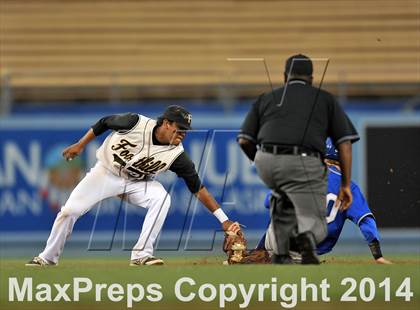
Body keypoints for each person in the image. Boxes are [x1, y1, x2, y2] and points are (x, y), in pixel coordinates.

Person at [26, 105, 240, 266]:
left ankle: (141, 255)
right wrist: (81, 145)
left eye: (186, 130)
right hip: (105, 173)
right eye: (179, 127)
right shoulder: (135, 122)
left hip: (138, 183)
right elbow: (104, 122)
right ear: (166, 123)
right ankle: (46, 258)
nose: (183, 133)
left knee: (162, 198)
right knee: (70, 210)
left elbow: (198, 188)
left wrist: (223, 219)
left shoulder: (177, 156)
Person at [237, 54, 359, 264]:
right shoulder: (325, 100)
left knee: (285, 198)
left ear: (285, 76)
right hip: (306, 162)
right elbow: (345, 144)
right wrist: (346, 184)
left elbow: (244, 141)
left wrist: (260, 162)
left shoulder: (267, 98)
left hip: (269, 160)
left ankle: (282, 248)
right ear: (311, 78)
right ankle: (302, 244)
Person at [258, 139, 392, 264]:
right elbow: (365, 221)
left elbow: (267, 202)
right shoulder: (349, 187)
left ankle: (259, 254)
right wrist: (378, 255)